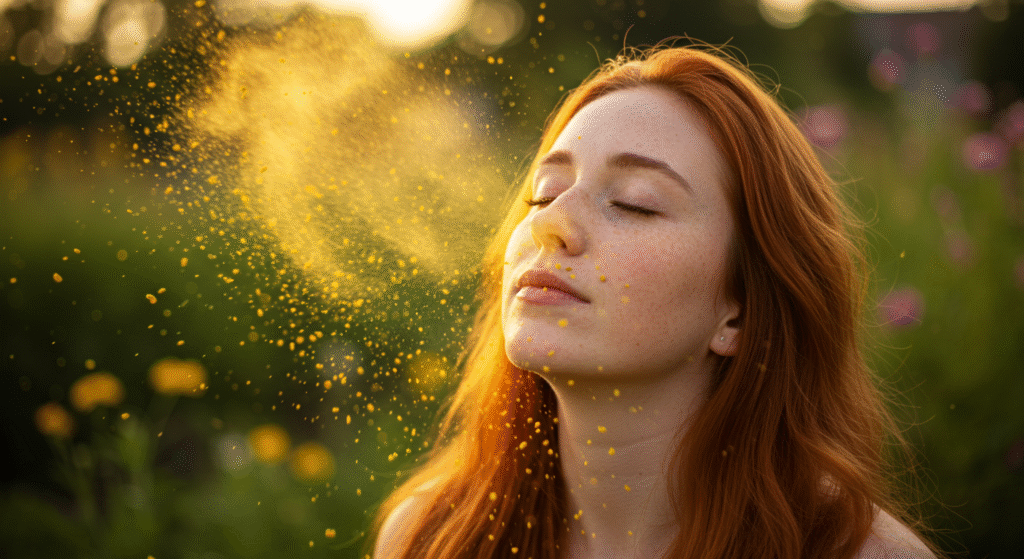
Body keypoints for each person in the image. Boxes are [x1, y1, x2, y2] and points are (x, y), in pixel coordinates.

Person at [368, 44, 944, 559]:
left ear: (741, 311)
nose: (550, 223)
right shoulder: (431, 539)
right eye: (544, 193)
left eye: (634, 203)